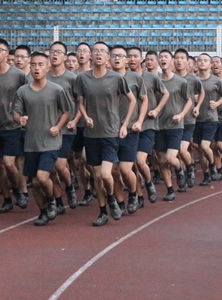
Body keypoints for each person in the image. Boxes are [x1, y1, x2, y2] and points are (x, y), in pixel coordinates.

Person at [75, 42, 136, 226]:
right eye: (96, 51)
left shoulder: (116, 78)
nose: (99, 54)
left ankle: (111, 198)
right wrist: (85, 117)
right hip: (91, 133)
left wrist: (124, 125)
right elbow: (80, 102)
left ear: (108, 57)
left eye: (103, 51)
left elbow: (132, 100)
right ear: (90, 56)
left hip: (110, 132)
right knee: (96, 176)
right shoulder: (82, 78)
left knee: (106, 175)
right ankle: (103, 211)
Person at [13, 52, 73, 226]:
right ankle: (43, 211)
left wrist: (58, 126)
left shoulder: (56, 90)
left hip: (51, 142)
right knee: (35, 182)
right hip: (31, 143)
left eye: (40, 65)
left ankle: (52, 200)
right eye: (33, 65)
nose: (36, 68)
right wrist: (20, 119)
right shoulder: (23, 91)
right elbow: (15, 112)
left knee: (41, 177)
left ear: (47, 68)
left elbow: (66, 111)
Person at [0, 38, 29, 212]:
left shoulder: (18, 75)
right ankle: (7, 199)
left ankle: (18, 191)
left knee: (10, 163)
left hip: (12, 125)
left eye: (0, 50)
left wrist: (21, 113)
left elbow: (27, 95)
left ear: (7, 53)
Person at [129, 47, 168, 202]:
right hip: (129, 126)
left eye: (135, 57)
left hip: (148, 125)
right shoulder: (123, 78)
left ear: (141, 60)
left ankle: (149, 183)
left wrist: (157, 110)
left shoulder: (151, 77)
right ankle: (138, 196)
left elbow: (166, 94)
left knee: (139, 160)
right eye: (129, 56)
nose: (132, 59)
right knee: (131, 164)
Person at [112, 45, 147, 213]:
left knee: (126, 170)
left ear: (127, 60)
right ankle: (119, 202)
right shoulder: (105, 78)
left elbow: (144, 100)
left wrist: (139, 121)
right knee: (113, 170)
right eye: (114, 56)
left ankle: (134, 194)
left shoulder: (135, 78)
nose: (117, 59)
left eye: (121, 56)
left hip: (130, 130)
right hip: (109, 130)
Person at [47, 41, 80, 212]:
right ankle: (58, 201)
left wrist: (75, 120)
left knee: (60, 165)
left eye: (59, 52)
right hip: (47, 129)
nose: (55, 55)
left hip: (66, 128)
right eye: (52, 51)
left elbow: (82, 102)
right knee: (50, 168)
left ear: (65, 57)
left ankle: (69, 187)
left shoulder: (72, 78)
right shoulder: (43, 76)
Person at [156, 50, 193, 200]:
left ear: (171, 61)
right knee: (162, 161)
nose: (163, 59)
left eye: (166, 57)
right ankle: (170, 189)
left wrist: (181, 115)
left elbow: (189, 101)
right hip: (158, 125)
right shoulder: (155, 80)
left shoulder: (181, 82)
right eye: (161, 57)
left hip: (175, 125)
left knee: (171, 158)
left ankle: (180, 169)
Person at [193, 53, 222, 183]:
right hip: (196, 119)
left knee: (205, 146)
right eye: (200, 60)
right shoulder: (193, 80)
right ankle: (206, 175)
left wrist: (217, 103)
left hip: (211, 118)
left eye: (205, 60)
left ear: (210, 64)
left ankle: (213, 166)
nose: (202, 62)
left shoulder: (216, 81)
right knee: (200, 149)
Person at [173, 49, 204, 186]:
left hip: (188, 120)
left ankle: (190, 167)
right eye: (177, 58)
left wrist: (197, 107)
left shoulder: (193, 79)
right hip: (172, 121)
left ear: (187, 62)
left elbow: (202, 93)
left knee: (182, 149)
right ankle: (183, 171)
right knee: (174, 153)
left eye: (182, 58)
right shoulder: (169, 77)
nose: (179, 60)